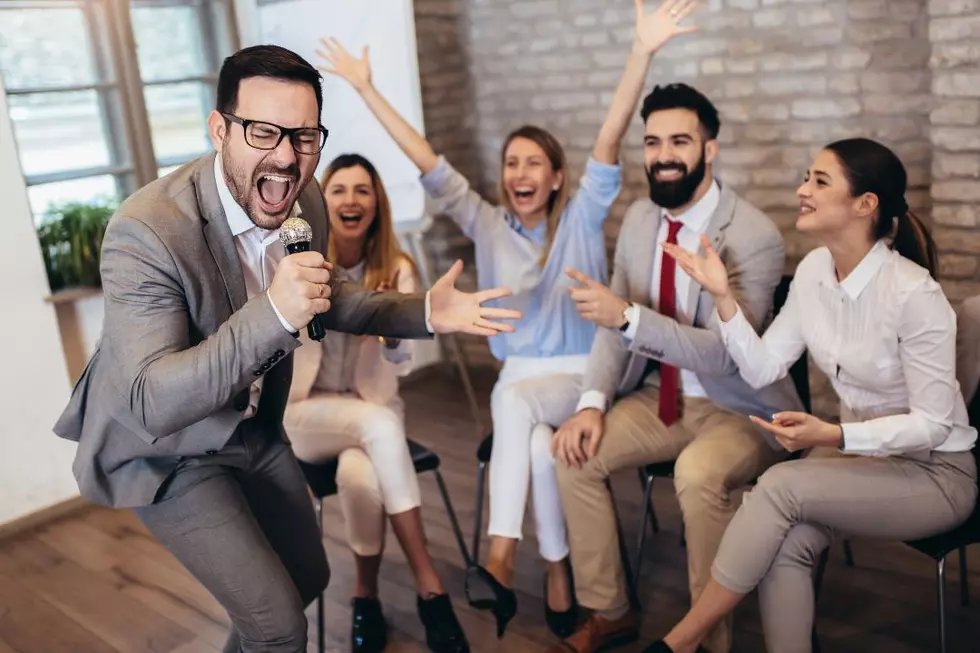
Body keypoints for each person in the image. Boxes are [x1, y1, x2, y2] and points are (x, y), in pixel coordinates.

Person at [53, 45, 519, 653]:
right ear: (220, 129)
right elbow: (152, 403)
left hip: (255, 429)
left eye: (303, 137)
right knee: (279, 628)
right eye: (263, 132)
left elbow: (327, 294)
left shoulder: (308, 199)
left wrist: (427, 311)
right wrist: (274, 312)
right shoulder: (147, 230)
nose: (285, 158)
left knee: (307, 579)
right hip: (167, 452)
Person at [316, 0, 698, 637]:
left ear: (555, 179)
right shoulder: (486, 223)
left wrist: (642, 52)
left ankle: (498, 555)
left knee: (516, 408)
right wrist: (366, 87)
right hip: (522, 376)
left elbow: (609, 138)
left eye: (532, 164)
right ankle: (556, 574)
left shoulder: (580, 218)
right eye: (510, 163)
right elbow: (425, 160)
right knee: (539, 451)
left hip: (584, 371)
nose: (518, 172)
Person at [645, 137, 978, 653]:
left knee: (777, 487)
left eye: (820, 181)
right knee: (786, 544)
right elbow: (762, 367)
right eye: (807, 177)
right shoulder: (814, 272)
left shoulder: (915, 295)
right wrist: (722, 297)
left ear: (865, 204)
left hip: (936, 472)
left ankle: (681, 640)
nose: (803, 189)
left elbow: (934, 424)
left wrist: (836, 432)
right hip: (865, 462)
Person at [546, 80, 804, 653]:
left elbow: (724, 352)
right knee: (570, 453)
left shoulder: (754, 236)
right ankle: (609, 611)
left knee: (697, 473)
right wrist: (591, 404)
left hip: (742, 408)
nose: (664, 155)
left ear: (709, 149)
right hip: (658, 398)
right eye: (653, 141)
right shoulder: (639, 218)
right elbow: (614, 326)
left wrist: (629, 316)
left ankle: (708, 640)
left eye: (680, 141)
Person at [285, 152, 466, 653]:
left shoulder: (397, 268)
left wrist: (390, 331)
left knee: (360, 477)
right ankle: (431, 586)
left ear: (376, 204)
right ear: (323, 203)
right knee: (381, 429)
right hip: (306, 415)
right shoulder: (299, 267)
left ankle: (365, 597)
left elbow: (403, 366)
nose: (351, 200)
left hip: (371, 411)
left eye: (362, 190)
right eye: (339, 189)